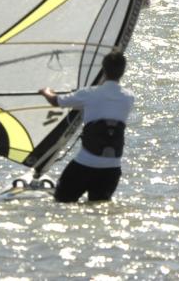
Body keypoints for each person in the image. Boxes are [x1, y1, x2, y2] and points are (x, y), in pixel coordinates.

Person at [40, 48, 133, 203]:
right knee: (97, 208)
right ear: (123, 71)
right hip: (111, 170)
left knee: (61, 203)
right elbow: (105, 104)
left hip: (84, 167)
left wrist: (46, 91)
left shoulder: (88, 94)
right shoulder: (129, 97)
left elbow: (56, 101)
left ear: (103, 69)